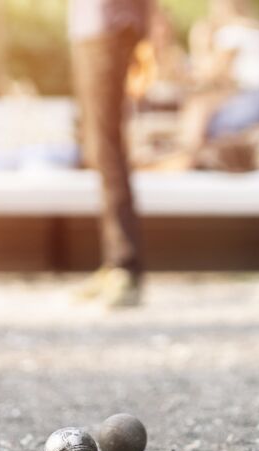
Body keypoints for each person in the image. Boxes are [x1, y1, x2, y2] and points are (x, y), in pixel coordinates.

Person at [68, 0, 152, 309]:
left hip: (109, 24)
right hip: (95, 27)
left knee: (106, 147)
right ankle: (114, 261)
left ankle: (124, 265)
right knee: (98, 147)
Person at [171, 0, 259, 170]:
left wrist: (197, 40)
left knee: (200, 111)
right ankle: (193, 159)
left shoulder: (232, 32)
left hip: (258, 100)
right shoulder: (258, 28)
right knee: (204, 106)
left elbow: (211, 74)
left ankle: (189, 161)